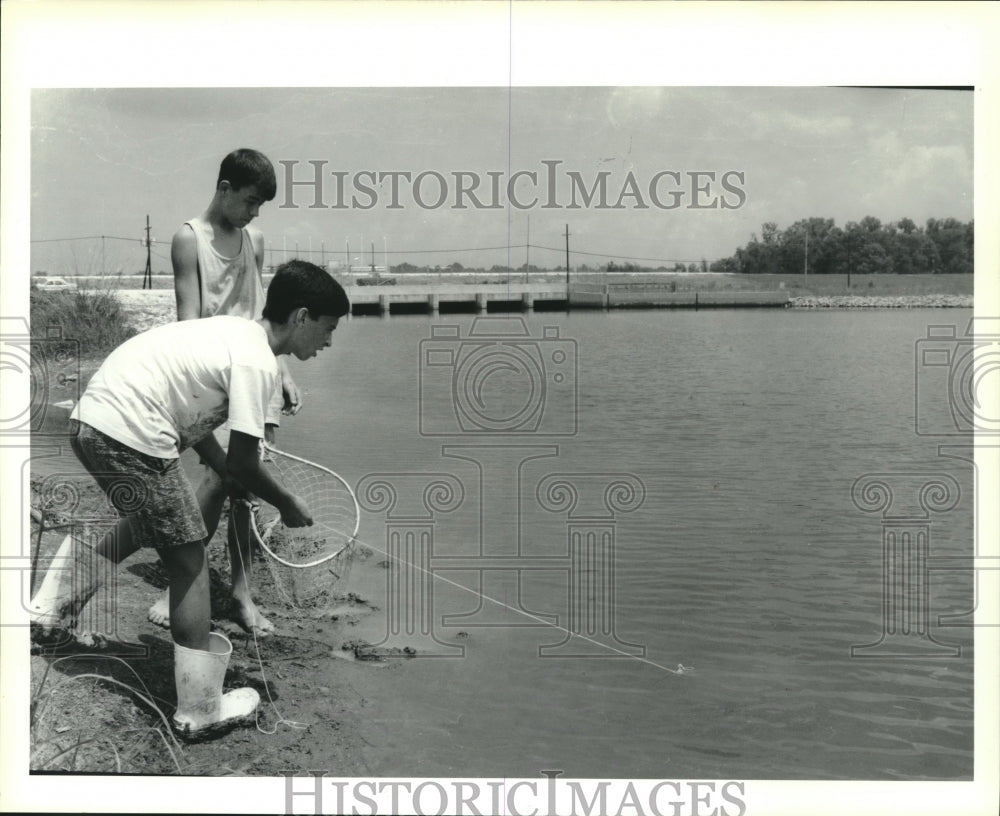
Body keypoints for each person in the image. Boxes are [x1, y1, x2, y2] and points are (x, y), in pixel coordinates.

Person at [29, 261, 350, 740]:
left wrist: (223, 470)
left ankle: (46, 615)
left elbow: (194, 419)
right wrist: (286, 502)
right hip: (129, 430)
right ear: (302, 316)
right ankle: (200, 710)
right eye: (327, 329)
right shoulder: (258, 362)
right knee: (190, 559)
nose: (326, 343)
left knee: (141, 525)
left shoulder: (236, 333)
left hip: (92, 421)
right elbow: (245, 464)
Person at [147, 147, 297, 637]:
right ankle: (180, 584)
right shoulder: (189, 240)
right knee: (218, 477)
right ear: (225, 188)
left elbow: (265, 316)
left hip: (257, 374)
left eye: (261, 206)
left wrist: (283, 372)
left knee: (248, 489)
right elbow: (187, 322)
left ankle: (241, 593)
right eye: (250, 200)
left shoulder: (254, 237)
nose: (254, 213)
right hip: (214, 378)